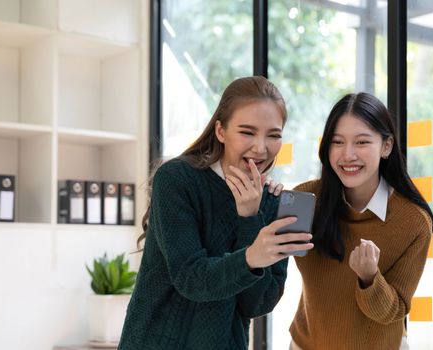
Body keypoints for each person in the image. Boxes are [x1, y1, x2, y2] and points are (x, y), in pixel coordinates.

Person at [118, 76, 314, 350]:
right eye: (247, 132)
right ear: (221, 131)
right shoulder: (176, 180)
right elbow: (190, 278)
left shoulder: (273, 203)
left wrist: (250, 218)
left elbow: (258, 304)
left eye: (274, 135)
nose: (261, 147)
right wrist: (250, 256)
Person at [289, 92, 433, 350]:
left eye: (362, 142)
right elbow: (265, 271)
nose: (348, 155)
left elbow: (395, 311)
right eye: (337, 142)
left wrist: (369, 278)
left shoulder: (414, 222)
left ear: (386, 146)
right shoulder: (304, 200)